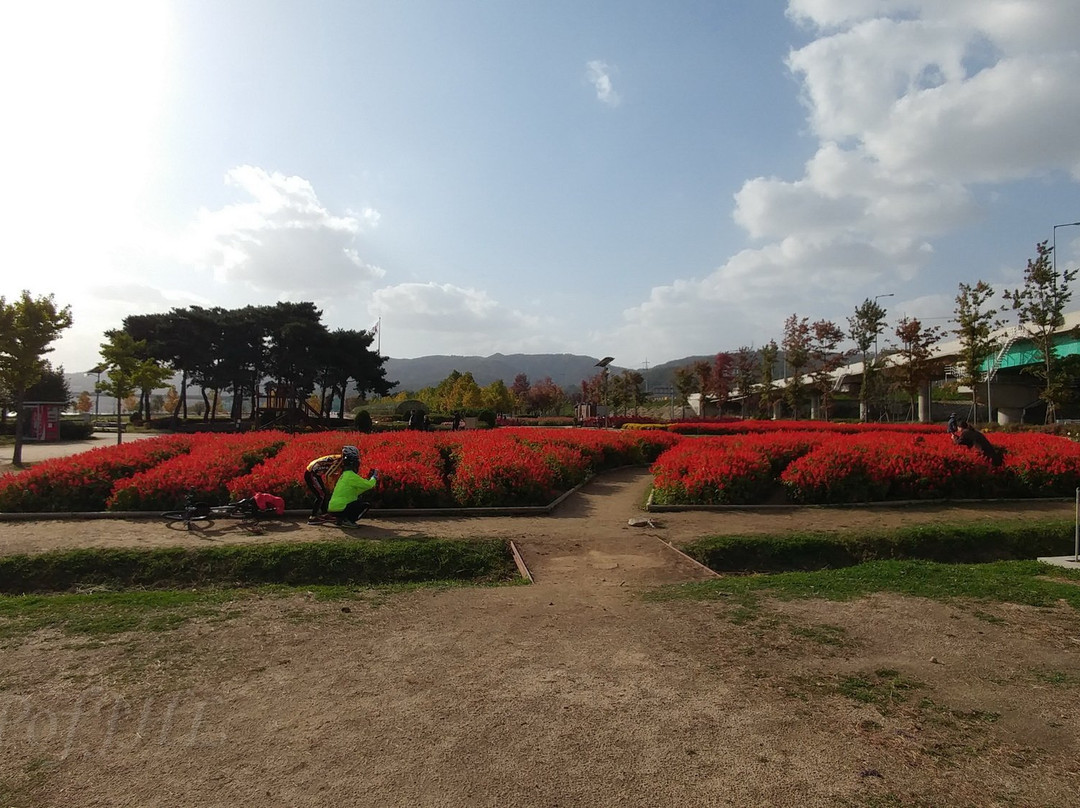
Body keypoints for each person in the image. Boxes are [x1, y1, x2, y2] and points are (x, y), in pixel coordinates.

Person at [326, 445, 378, 527]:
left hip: (333, 508)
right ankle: (348, 520)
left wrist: (368, 480)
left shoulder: (344, 475)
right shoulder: (351, 476)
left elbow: (355, 491)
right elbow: (369, 485)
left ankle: (340, 520)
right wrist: (373, 477)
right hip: (342, 507)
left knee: (353, 502)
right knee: (364, 505)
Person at [304, 450, 346, 524]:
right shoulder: (338, 460)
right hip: (311, 473)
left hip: (316, 473)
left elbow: (330, 471)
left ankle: (324, 514)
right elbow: (328, 475)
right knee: (321, 495)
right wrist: (332, 488)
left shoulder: (338, 458)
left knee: (323, 494)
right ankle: (313, 517)